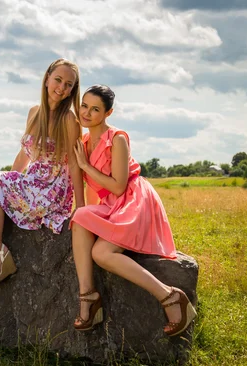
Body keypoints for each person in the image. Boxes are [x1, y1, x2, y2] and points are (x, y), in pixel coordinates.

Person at [70, 84, 196, 336]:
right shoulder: (82, 141)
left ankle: (170, 296)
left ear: (108, 113)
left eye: (95, 109)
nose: (87, 113)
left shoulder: (117, 138)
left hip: (133, 200)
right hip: (109, 205)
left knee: (102, 254)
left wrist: (85, 165)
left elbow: (118, 186)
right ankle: (88, 296)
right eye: (84, 105)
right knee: (80, 216)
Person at [0, 58, 84, 287]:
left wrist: (81, 208)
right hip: (32, 181)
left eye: (69, 84)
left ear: (73, 90)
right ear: (47, 79)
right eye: (58, 80)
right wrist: (7, 187)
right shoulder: (34, 112)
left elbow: (73, 164)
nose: (62, 88)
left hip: (52, 189)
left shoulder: (69, 119)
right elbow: (24, 154)